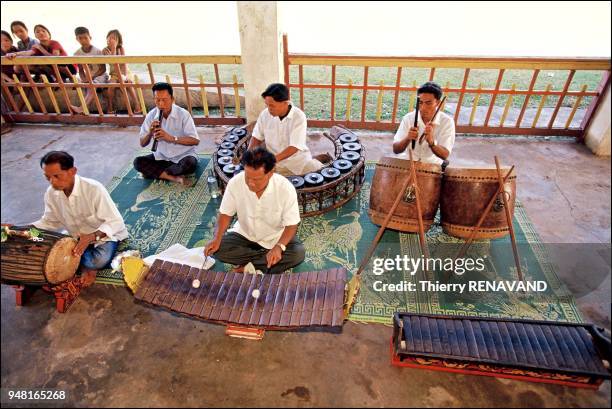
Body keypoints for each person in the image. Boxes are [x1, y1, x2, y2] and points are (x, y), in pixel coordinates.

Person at [32, 151, 128, 286]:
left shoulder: (94, 189)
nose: (52, 182)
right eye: (48, 178)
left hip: (102, 235)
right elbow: (49, 221)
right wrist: (18, 229)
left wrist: (91, 236)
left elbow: (116, 222)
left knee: (98, 261)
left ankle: (86, 265)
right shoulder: (51, 193)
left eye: (56, 176)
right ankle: (83, 261)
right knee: (50, 252)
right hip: (76, 236)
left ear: (72, 171)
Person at [205, 147, 305, 274]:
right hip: (244, 234)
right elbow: (225, 214)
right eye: (248, 177)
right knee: (217, 250)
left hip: (274, 236)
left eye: (256, 179)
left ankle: (249, 266)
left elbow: (291, 225)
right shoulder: (235, 183)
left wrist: (279, 247)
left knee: (297, 254)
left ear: (270, 173)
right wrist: (217, 238)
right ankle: (261, 263)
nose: (251, 183)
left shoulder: (286, 189)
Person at [248, 83, 331, 176]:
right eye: (267, 105)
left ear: (285, 103)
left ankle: (315, 160)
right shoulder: (265, 114)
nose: (269, 109)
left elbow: (294, 147)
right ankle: (317, 158)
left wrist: (270, 161)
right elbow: (256, 137)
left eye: (272, 105)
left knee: (319, 174)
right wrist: (249, 156)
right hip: (274, 162)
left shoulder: (298, 116)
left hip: (297, 161)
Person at [134, 82, 200, 186]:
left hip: (183, 156)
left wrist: (171, 138)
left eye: (164, 100)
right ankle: (174, 178)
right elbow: (142, 143)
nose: (161, 104)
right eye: (157, 100)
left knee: (190, 164)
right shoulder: (151, 115)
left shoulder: (183, 114)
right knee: (138, 162)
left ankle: (157, 173)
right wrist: (150, 133)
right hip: (162, 157)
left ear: (172, 99)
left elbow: (195, 141)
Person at [392, 81, 455, 166]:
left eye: (428, 103)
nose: (423, 108)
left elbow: (444, 155)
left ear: (438, 102)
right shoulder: (409, 118)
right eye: (420, 102)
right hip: (408, 162)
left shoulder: (447, 122)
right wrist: (407, 138)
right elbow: (396, 150)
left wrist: (432, 142)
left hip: (432, 165)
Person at [5, 24, 77, 82]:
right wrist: (15, 54)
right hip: (57, 71)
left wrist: (41, 49)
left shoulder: (54, 43)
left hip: (70, 69)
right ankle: (59, 78)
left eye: (43, 31)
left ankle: (72, 78)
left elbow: (55, 58)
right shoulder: (37, 46)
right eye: (37, 32)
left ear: (49, 34)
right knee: (43, 66)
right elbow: (28, 52)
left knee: (58, 63)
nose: (41, 33)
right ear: (35, 36)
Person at [70, 26, 108, 114]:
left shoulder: (97, 51)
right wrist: (84, 79)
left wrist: (92, 77)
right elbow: (80, 70)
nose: (83, 40)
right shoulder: (77, 53)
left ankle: (81, 108)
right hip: (89, 77)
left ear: (90, 38)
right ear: (77, 39)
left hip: (100, 76)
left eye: (85, 38)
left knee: (92, 85)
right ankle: (84, 110)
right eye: (80, 38)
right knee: (86, 86)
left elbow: (103, 69)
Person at [102, 29, 140, 114]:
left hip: (124, 72)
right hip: (114, 74)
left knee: (128, 84)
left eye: (114, 38)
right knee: (111, 86)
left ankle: (137, 105)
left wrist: (125, 76)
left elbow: (124, 63)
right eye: (110, 37)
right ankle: (110, 107)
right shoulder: (105, 50)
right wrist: (113, 48)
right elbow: (112, 61)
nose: (112, 40)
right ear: (107, 39)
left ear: (118, 41)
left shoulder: (121, 49)